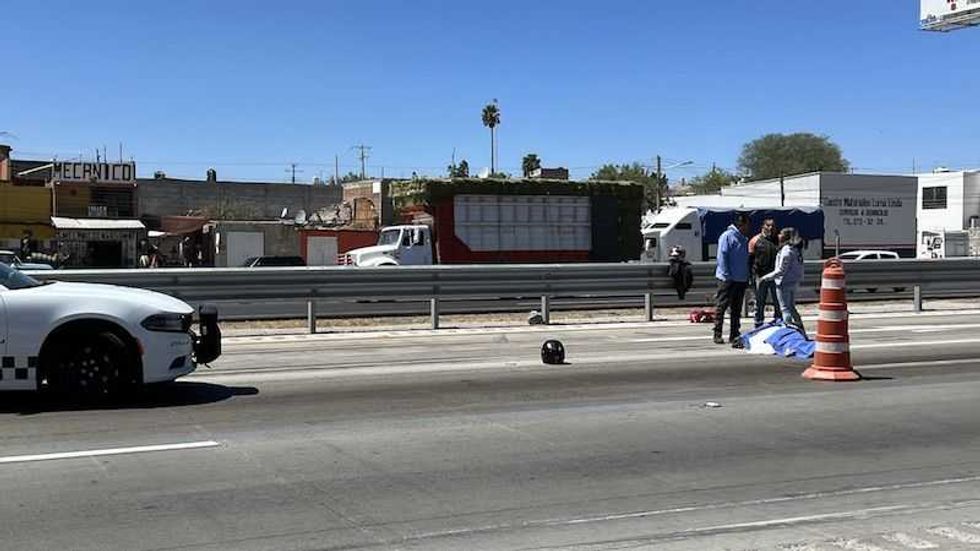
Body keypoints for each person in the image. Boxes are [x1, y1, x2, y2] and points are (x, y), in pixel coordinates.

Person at [714, 213, 751, 347]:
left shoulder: (744, 239)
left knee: (736, 308)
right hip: (727, 278)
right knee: (722, 306)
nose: (748, 227)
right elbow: (722, 256)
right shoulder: (727, 236)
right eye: (747, 224)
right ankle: (717, 333)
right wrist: (726, 275)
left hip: (741, 278)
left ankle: (734, 334)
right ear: (741, 224)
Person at [759, 227, 806, 332]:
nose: (778, 235)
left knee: (784, 308)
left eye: (781, 234)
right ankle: (800, 326)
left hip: (784, 283)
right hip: (793, 282)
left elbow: (780, 270)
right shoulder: (795, 250)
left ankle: (788, 329)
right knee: (791, 307)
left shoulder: (786, 251)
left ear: (786, 237)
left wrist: (765, 278)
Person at [748, 218, 782, 328]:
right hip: (760, 276)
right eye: (768, 225)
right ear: (763, 227)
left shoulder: (778, 240)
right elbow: (749, 260)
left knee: (778, 302)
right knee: (759, 302)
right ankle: (758, 324)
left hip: (775, 276)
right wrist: (750, 277)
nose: (771, 228)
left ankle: (778, 323)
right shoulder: (755, 240)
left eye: (773, 226)